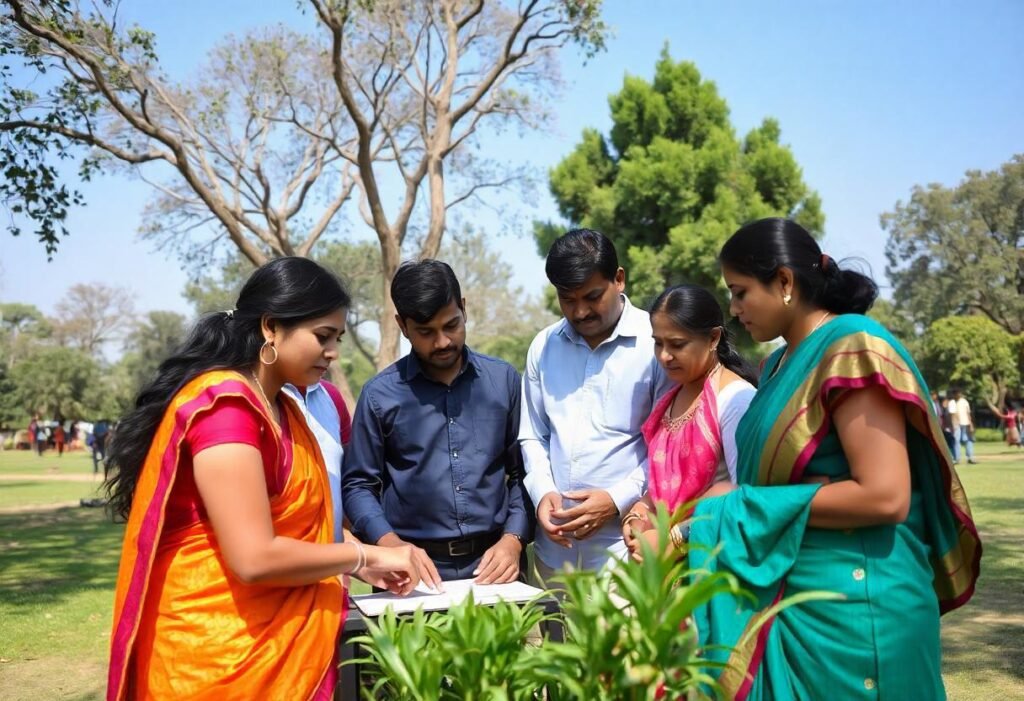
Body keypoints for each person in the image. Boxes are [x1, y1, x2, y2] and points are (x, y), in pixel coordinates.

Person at [681, 218, 980, 700]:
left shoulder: (852, 345)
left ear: (783, 282)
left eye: (739, 292)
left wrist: (743, 506)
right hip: (787, 598)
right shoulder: (777, 365)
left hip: (860, 609)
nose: (734, 310)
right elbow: (764, 481)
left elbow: (885, 495)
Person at [103, 257, 422, 701]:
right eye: (323, 337)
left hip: (274, 643)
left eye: (338, 338)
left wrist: (366, 562)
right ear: (271, 328)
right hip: (214, 655)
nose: (333, 352)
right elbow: (253, 557)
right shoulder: (226, 409)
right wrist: (360, 555)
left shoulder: (283, 409)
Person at [343, 260, 531, 586]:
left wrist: (513, 539)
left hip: (495, 567)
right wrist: (390, 544)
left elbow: (524, 471)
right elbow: (358, 485)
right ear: (403, 326)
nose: (443, 342)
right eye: (426, 332)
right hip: (407, 572)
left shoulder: (504, 381)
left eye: (452, 325)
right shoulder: (379, 395)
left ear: (464, 308)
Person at [520, 228, 672, 583]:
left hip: (626, 550)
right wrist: (543, 493)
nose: (581, 311)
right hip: (554, 554)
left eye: (592, 296)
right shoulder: (543, 347)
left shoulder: (658, 344)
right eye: (567, 299)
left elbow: (670, 446)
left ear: (619, 279)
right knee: (554, 641)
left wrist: (616, 499)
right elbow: (533, 437)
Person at [620, 285, 757, 560]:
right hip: (660, 566)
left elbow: (743, 497)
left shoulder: (734, 399)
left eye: (677, 344)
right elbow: (662, 490)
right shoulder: (670, 399)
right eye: (658, 343)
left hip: (711, 563)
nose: (664, 356)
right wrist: (638, 515)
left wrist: (673, 540)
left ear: (713, 338)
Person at [281, 379, 352, 542]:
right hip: (285, 560)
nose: (331, 354)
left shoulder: (331, 396)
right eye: (321, 350)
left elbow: (347, 479)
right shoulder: (252, 401)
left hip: (333, 559)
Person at [948, 388, 977, 464]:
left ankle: (970, 457)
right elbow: (952, 415)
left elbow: (968, 413)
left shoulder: (964, 402)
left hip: (965, 423)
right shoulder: (952, 403)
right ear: (954, 394)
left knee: (968, 440)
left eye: (959, 393)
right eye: (956, 393)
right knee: (956, 441)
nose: (958, 395)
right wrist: (953, 425)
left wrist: (971, 424)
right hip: (957, 425)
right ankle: (957, 458)